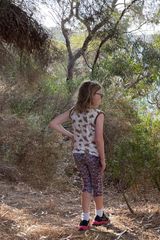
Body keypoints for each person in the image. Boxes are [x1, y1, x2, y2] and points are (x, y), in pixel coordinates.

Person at [49, 81, 110, 231]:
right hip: (92, 154)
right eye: (99, 94)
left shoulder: (74, 111)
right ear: (91, 95)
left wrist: (71, 136)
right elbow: (98, 139)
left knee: (86, 184)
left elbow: (54, 123)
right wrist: (103, 158)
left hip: (78, 154)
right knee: (96, 184)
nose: (101, 97)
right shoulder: (98, 114)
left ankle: (84, 220)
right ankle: (99, 216)